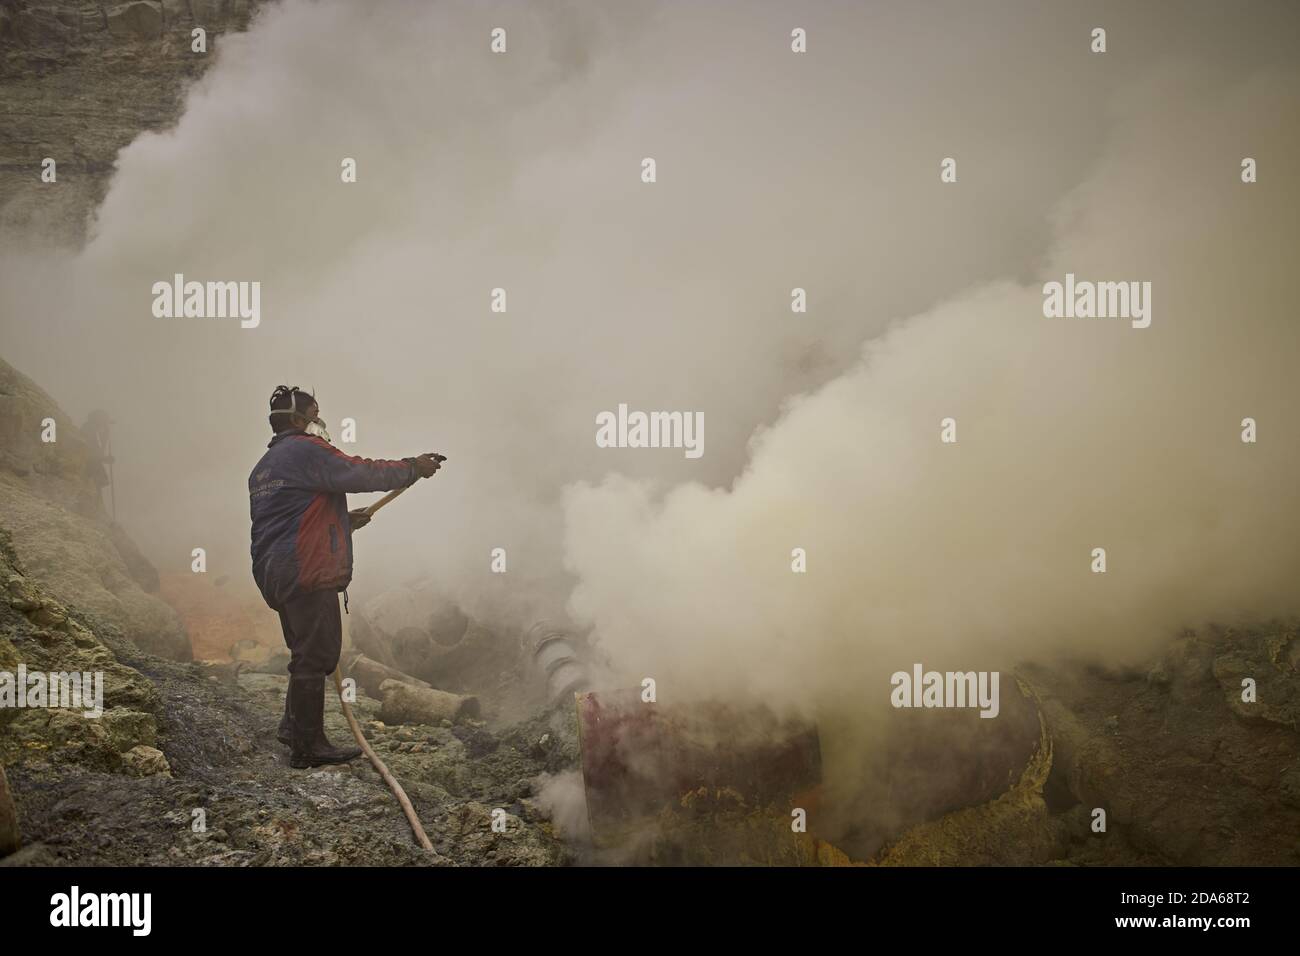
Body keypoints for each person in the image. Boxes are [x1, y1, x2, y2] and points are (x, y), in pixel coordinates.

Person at [248, 385, 443, 768]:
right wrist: (412, 467)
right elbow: (360, 472)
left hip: (276, 571)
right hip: (307, 569)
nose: (320, 422)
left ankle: (292, 728)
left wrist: (341, 521)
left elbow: (289, 519)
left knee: (304, 650)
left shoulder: (263, 468)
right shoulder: (306, 449)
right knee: (317, 654)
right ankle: (308, 746)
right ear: (299, 420)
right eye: (315, 414)